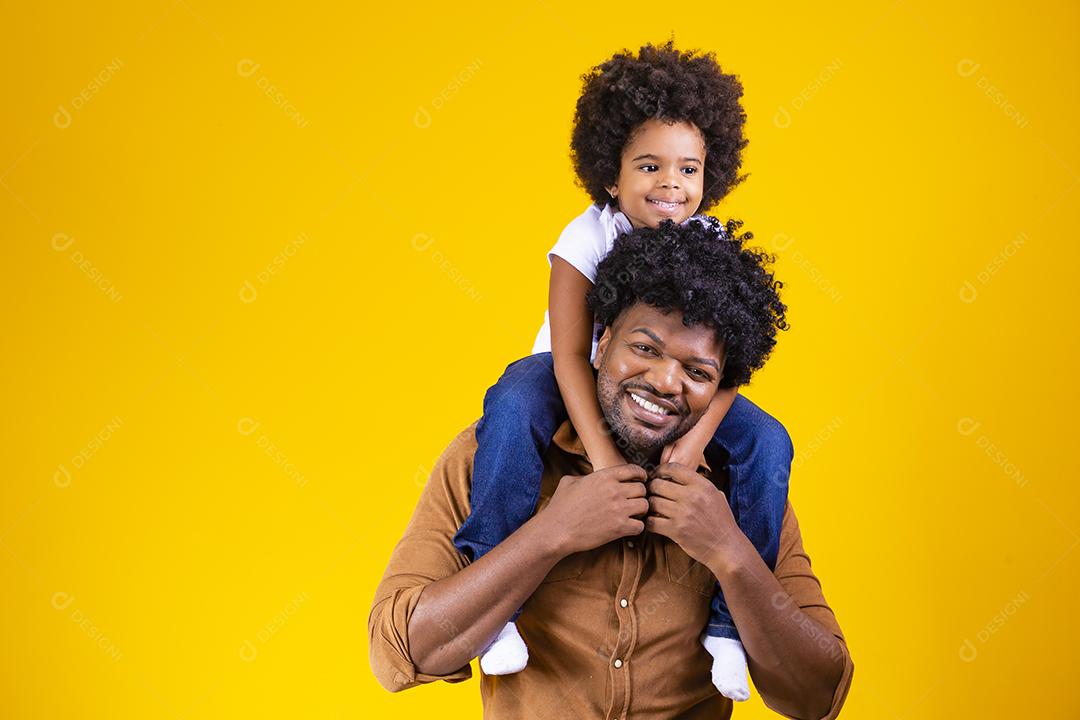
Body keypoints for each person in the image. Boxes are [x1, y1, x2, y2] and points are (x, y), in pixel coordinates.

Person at [369, 220, 854, 719]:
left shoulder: (743, 491)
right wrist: (550, 534)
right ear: (600, 344)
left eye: (698, 372)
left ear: (720, 389)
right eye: (644, 348)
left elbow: (818, 695)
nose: (666, 382)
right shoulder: (491, 456)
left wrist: (730, 553)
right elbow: (399, 654)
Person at [451, 40, 790, 701]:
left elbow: (731, 367)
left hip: (682, 391)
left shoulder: (711, 243)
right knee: (513, 398)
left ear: (709, 175)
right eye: (649, 165)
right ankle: (495, 607)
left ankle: (728, 629)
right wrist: (604, 458)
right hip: (569, 373)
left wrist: (693, 444)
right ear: (611, 174)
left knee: (769, 439)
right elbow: (574, 356)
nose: (671, 184)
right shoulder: (585, 239)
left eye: (689, 169)